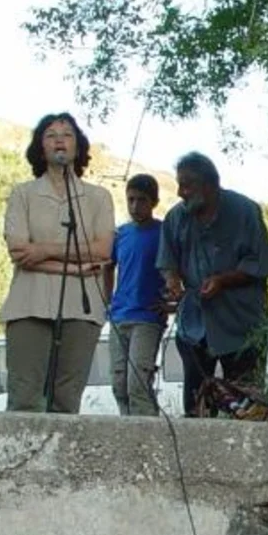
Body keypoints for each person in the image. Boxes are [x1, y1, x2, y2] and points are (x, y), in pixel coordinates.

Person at [0, 112, 115, 413]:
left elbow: (103, 250)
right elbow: (20, 253)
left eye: (67, 134)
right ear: (40, 148)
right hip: (29, 302)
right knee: (24, 398)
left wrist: (44, 250)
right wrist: (75, 267)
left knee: (66, 402)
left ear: (79, 146)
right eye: (50, 135)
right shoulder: (22, 194)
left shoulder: (98, 197)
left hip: (82, 306)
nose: (59, 139)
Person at [156, 151, 268, 416]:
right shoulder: (176, 218)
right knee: (196, 407)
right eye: (179, 184)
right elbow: (167, 262)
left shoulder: (245, 211)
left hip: (241, 325)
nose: (180, 192)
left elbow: (260, 264)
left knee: (250, 406)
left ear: (210, 185)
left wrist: (222, 281)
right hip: (194, 327)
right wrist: (173, 282)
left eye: (187, 185)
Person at [103, 174, 166, 416]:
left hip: (148, 318)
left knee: (137, 383)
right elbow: (108, 266)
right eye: (130, 200)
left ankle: (148, 436)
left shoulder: (163, 233)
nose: (135, 207)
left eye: (141, 200)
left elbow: (177, 270)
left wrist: (172, 304)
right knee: (119, 385)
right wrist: (107, 300)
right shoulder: (121, 234)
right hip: (119, 316)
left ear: (154, 202)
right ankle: (128, 433)